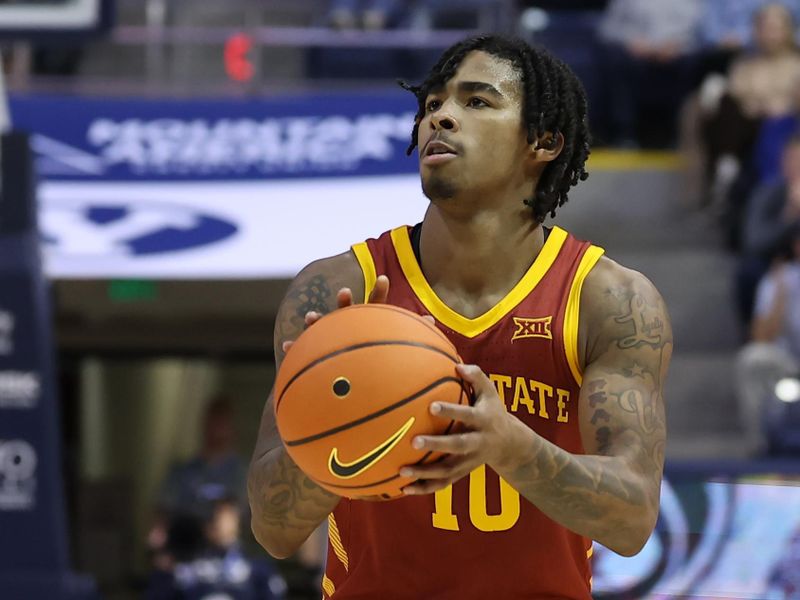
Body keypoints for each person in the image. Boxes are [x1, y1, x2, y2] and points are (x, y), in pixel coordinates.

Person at [248, 34, 671, 599]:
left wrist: (507, 446)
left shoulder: (607, 300)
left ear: (543, 141)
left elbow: (633, 517)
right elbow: (273, 529)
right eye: (432, 105)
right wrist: (332, 409)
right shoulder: (337, 290)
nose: (441, 117)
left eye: (477, 101)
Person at [597, 0, 701, 146]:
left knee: (694, 63)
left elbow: (701, 30)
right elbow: (608, 28)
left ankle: (679, 135)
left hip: (678, 52)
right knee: (617, 61)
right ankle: (625, 134)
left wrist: (678, 44)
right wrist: (630, 41)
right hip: (635, 51)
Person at [736, 233, 800, 455]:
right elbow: (761, 337)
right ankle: (759, 446)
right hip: (789, 364)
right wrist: (781, 294)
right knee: (753, 358)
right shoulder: (779, 278)